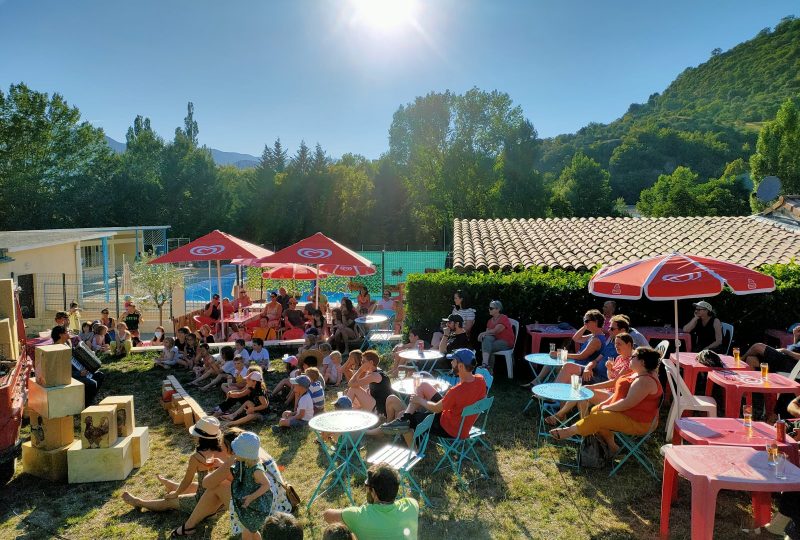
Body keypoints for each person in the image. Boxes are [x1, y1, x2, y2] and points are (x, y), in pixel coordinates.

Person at [550, 347, 663, 457]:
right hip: (629, 414)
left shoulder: (645, 381)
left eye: (633, 357)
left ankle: (569, 431)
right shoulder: (637, 373)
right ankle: (612, 447)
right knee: (595, 409)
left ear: (642, 362)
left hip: (640, 422)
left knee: (598, 417)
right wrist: (605, 404)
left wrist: (607, 408)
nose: (630, 358)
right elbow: (618, 393)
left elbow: (627, 403)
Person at [121, 416, 225, 516]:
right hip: (220, 499)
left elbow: (186, 481)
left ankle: (139, 502)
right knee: (196, 485)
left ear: (199, 437)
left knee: (168, 501)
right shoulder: (223, 451)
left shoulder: (196, 458)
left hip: (204, 502)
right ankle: (173, 485)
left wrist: (176, 494)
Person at [381, 348, 487, 441]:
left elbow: (437, 409)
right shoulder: (480, 380)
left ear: (460, 366)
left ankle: (405, 422)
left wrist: (420, 400)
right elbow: (466, 396)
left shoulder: (456, 391)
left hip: (448, 428)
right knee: (423, 385)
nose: (451, 363)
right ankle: (404, 418)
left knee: (405, 415)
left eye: (453, 361)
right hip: (460, 423)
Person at [544, 333, 636, 426]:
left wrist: (591, 387)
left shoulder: (632, 362)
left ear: (628, 344)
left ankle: (559, 415)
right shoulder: (619, 358)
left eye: (619, 344)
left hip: (618, 395)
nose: (616, 346)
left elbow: (614, 383)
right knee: (582, 399)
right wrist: (609, 369)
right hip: (608, 391)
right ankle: (586, 431)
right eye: (615, 344)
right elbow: (611, 377)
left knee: (582, 391)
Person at [322, 463, 419, 540]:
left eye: (367, 487)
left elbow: (327, 515)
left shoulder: (357, 516)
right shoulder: (412, 505)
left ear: (373, 491)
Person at [527, 309, 608, 387]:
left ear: (596, 322)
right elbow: (576, 338)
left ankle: (548, 387)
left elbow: (582, 356)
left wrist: (561, 354)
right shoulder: (593, 335)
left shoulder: (596, 340)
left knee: (556, 362)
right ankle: (537, 382)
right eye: (584, 321)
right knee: (553, 360)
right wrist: (585, 326)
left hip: (582, 366)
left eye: (587, 321)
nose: (585, 323)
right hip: (578, 363)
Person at [226, 431, 272, 540]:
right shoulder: (244, 462)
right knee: (252, 530)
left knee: (247, 531)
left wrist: (251, 497)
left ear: (244, 454)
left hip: (257, 506)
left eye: (236, 451)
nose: (233, 453)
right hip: (248, 504)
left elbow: (266, 485)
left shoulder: (256, 471)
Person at [52, 325, 105, 405]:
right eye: (67, 332)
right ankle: (86, 405)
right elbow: (61, 370)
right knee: (92, 384)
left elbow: (76, 359)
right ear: (61, 335)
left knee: (99, 375)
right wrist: (79, 373)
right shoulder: (56, 350)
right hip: (69, 376)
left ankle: (89, 399)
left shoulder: (66, 344)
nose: (69, 333)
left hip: (79, 370)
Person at [345, 350, 393, 418]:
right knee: (355, 390)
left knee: (353, 389)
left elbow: (350, 384)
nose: (361, 364)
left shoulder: (373, 376)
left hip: (379, 411)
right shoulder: (377, 371)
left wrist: (360, 370)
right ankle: (348, 410)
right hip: (380, 406)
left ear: (371, 362)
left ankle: (344, 411)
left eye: (363, 361)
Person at [477, 300, 515, 372]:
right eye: (489, 308)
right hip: (495, 341)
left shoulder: (503, 318)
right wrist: (484, 335)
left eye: (491, 308)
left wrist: (482, 334)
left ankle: (487, 368)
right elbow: (488, 334)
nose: (489, 309)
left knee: (487, 347)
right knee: (486, 340)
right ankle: (486, 366)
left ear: (498, 309)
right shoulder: (489, 321)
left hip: (506, 342)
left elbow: (496, 331)